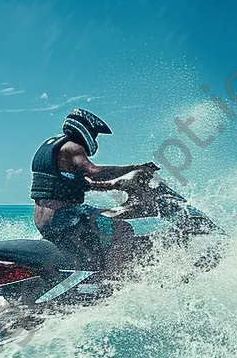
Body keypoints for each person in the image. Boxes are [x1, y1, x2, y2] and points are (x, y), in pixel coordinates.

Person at [30, 109, 158, 272]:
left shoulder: (53, 149)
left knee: (105, 214)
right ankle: (114, 277)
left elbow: (86, 183)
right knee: (124, 229)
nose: (95, 139)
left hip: (43, 220)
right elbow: (94, 172)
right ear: (85, 129)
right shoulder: (73, 147)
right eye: (95, 134)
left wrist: (117, 185)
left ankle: (95, 267)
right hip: (63, 217)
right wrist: (137, 168)